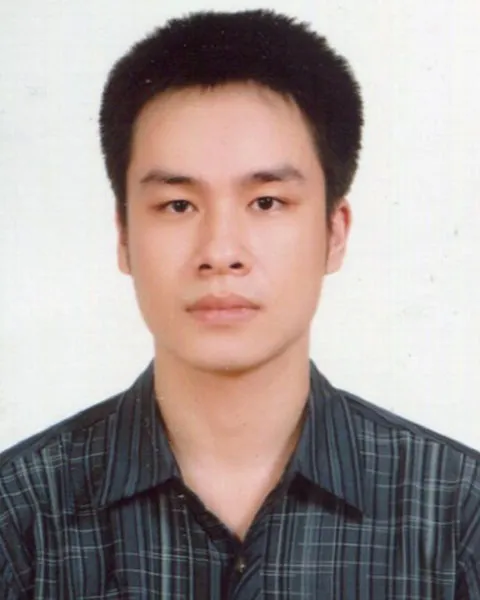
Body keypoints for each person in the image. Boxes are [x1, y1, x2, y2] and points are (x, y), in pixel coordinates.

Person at [0, 8, 479, 599]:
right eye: (178, 205)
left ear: (335, 233)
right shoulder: (18, 519)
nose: (221, 252)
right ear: (123, 237)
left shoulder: (458, 516)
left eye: (267, 202)